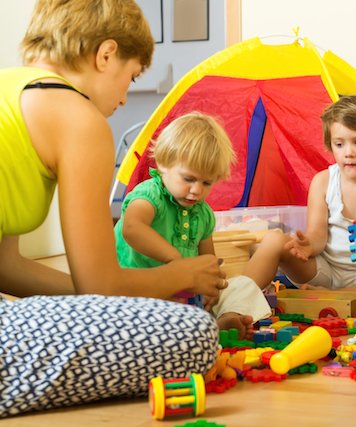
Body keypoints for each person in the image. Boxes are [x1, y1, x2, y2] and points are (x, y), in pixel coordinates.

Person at [0, 0, 221, 417]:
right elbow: (99, 284)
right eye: (132, 76)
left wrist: (116, 298)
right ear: (106, 55)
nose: (123, 99)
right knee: (195, 333)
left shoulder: (10, 89)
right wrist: (179, 276)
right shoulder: (78, 117)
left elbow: (6, 265)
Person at [251, 95, 356, 308]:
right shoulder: (323, 182)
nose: (348, 153)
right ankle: (235, 299)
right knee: (273, 240)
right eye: (339, 144)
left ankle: (337, 296)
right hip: (324, 270)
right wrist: (306, 246)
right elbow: (317, 235)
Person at [114, 112, 271, 337]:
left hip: (185, 296)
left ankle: (225, 319)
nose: (196, 190)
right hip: (141, 291)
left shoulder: (203, 213)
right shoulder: (149, 194)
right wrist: (177, 262)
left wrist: (213, 287)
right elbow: (132, 228)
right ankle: (201, 329)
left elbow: (208, 262)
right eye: (188, 179)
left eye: (206, 182)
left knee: (243, 285)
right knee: (152, 321)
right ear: (163, 164)